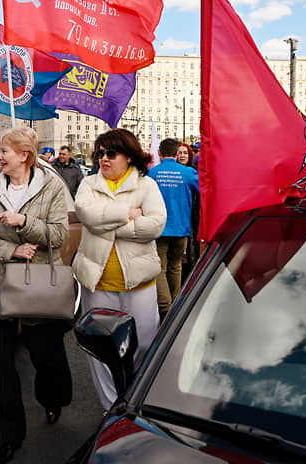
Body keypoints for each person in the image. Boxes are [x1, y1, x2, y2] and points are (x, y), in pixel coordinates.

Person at [0, 126, 72, 464]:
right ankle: (7, 434)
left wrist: (25, 221)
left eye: (3, 151)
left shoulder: (52, 185)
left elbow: (58, 235)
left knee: (47, 357)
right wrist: (11, 251)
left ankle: (53, 398)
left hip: (39, 284)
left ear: (24, 155)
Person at [72, 128, 166, 409]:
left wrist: (108, 227)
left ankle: (136, 401)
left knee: (144, 346)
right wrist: (127, 214)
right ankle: (111, 409)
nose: (104, 158)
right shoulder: (89, 184)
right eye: (100, 153)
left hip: (139, 286)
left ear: (129, 156)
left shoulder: (146, 186)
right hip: (98, 285)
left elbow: (155, 225)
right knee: (101, 352)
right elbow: (86, 215)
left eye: (111, 153)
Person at [150, 138, 199, 321]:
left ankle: (165, 307)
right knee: (176, 266)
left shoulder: (151, 173)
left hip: (159, 229)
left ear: (160, 153)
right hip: (181, 228)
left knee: (160, 268)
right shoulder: (188, 172)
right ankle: (175, 304)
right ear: (177, 153)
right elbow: (204, 191)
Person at [177, 142, 201, 282]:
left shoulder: (193, 172)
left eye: (185, 153)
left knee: (192, 250)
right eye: (179, 153)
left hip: (192, 216)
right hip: (179, 216)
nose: (182, 155)